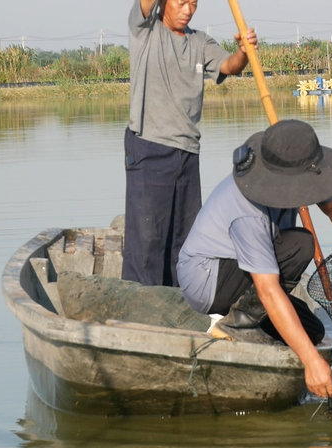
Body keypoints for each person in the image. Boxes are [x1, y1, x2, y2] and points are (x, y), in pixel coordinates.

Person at [177, 120, 332, 399]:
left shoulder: (296, 173)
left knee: (313, 332)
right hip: (207, 278)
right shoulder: (248, 211)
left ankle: (248, 318)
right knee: (300, 245)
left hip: (244, 270)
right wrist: (311, 363)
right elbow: (268, 291)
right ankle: (233, 324)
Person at [124, 0, 258, 286]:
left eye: (193, 4)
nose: (188, 9)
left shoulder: (200, 42)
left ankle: (179, 300)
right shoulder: (145, 30)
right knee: (148, 240)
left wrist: (243, 53)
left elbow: (229, 66)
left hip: (187, 152)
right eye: (181, 2)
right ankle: (143, 305)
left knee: (184, 238)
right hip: (149, 147)